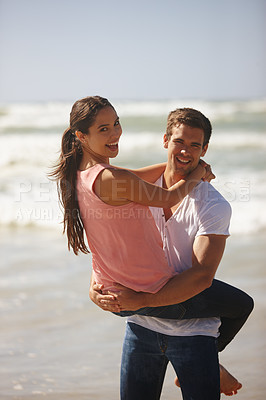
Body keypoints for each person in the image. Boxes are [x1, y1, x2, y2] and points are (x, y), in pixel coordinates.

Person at [89, 107, 254, 399]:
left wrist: (139, 300)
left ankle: (212, 359)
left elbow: (201, 277)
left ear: (204, 150)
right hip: (140, 329)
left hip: (194, 333)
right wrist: (95, 283)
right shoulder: (135, 190)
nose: (186, 151)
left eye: (195, 145)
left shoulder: (213, 205)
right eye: (179, 141)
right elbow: (110, 241)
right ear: (166, 140)